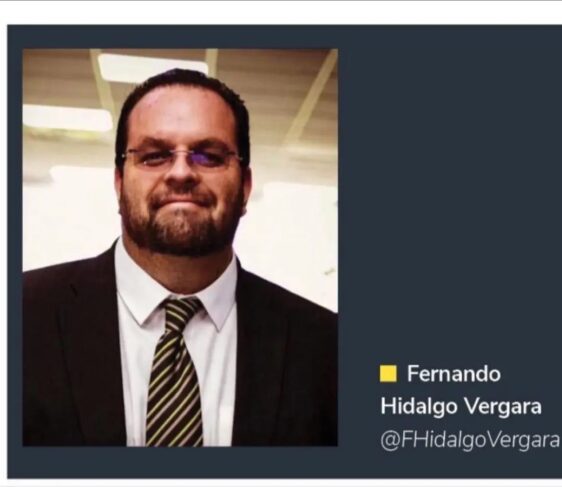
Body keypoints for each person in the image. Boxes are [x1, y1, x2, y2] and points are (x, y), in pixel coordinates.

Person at [23, 68, 337, 447]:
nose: (181, 172)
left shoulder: (327, 348)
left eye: (209, 156)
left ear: (245, 186)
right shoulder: (21, 314)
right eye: (154, 155)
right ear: (119, 182)